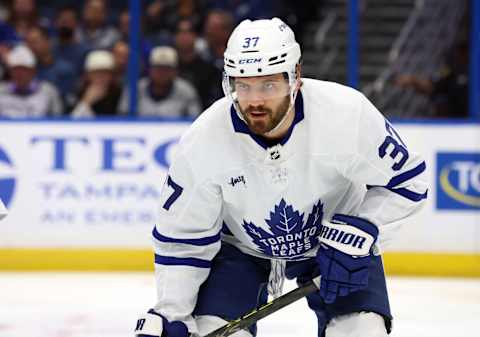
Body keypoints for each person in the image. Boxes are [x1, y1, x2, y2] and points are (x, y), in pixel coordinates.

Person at [134, 18, 428, 337]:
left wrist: (366, 228)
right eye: (243, 85)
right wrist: (172, 313)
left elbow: (408, 181)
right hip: (241, 251)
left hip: (337, 246)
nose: (255, 101)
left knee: (362, 332)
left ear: (295, 77)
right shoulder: (203, 140)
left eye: (268, 85)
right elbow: (182, 238)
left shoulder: (346, 114)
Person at [119, 46, 202, 118]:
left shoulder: (186, 91)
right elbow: (122, 119)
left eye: (167, 69)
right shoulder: (136, 89)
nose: (162, 73)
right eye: (158, 68)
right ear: (150, 70)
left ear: (175, 71)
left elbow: (195, 122)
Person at [0, 44, 62, 117]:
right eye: (16, 70)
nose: (19, 74)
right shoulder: (1, 91)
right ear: (10, 71)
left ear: (33, 71)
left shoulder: (48, 91)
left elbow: (57, 120)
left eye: (24, 70)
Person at [71, 49, 122, 117]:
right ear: (88, 75)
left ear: (112, 75)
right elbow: (71, 123)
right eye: (96, 73)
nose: (101, 77)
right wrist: (86, 102)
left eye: (105, 73)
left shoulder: (119, 93)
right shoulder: (79, 92)